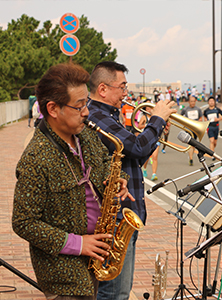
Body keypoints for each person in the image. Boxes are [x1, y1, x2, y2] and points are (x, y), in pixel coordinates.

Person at [12, 63, 132, 300]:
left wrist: (118, 178)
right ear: (53, 109)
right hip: (63, 274)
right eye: (79, 106)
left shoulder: (84, 134)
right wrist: (79, 244)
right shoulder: (35, 159)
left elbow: (105, 162)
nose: (86, 112)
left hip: (94, 257)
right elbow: (23, 222)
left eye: (86, 103)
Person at [88, 61, 176, 300]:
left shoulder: (110, 115)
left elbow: (134, 158)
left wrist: (155, 131)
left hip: (123, 213)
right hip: (115, 215)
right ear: (103, 89)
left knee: (117, 291)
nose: (126, 94)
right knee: (115, 293)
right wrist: (156, 120)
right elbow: (136, 147)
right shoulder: (96, 116)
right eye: (123, 87)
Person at [181, 95, 203, 166]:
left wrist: (200, 120)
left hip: (195, 128)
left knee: (193, 144)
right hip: (188, 129)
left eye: (194, 101)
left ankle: (191, 156)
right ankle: (191, 158)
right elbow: (181, 117)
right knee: (190, 143)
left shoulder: (198, 109)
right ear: (188, 102)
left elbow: (200, 117)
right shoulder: (185, 109)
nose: (193, 103)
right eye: (191, 101)